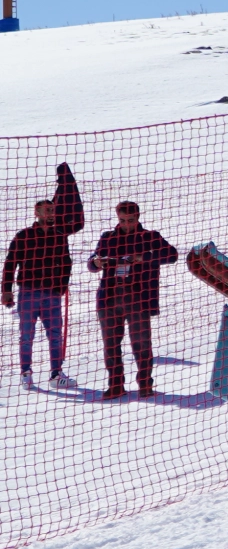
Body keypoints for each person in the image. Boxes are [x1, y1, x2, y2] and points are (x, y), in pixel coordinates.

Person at [2, 164, 85, 389]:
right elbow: (10, 263)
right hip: (28, 292)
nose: (50, 213)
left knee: (55, 334)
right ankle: (26, 373)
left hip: (52, 293)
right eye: (46, 210)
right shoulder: (24, 236)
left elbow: (67, 262)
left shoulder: (60, 235)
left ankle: (56, 374)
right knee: (26, 334)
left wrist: (62, 285)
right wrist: (6, 290)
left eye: (52, 210)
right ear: (36, 213)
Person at [88, 201, 178, 399]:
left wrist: (143, 257)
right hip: (110, 297)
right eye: (122, 221)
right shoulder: (108, 237)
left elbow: (172, 255)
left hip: (138, 297)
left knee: (141, 342)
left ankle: (145, 384)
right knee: (111, 344)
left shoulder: (150, 237)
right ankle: (115, 384)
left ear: (137, 218)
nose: (126, 225)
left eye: (130, 220)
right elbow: (92, 262)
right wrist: (96, 262)